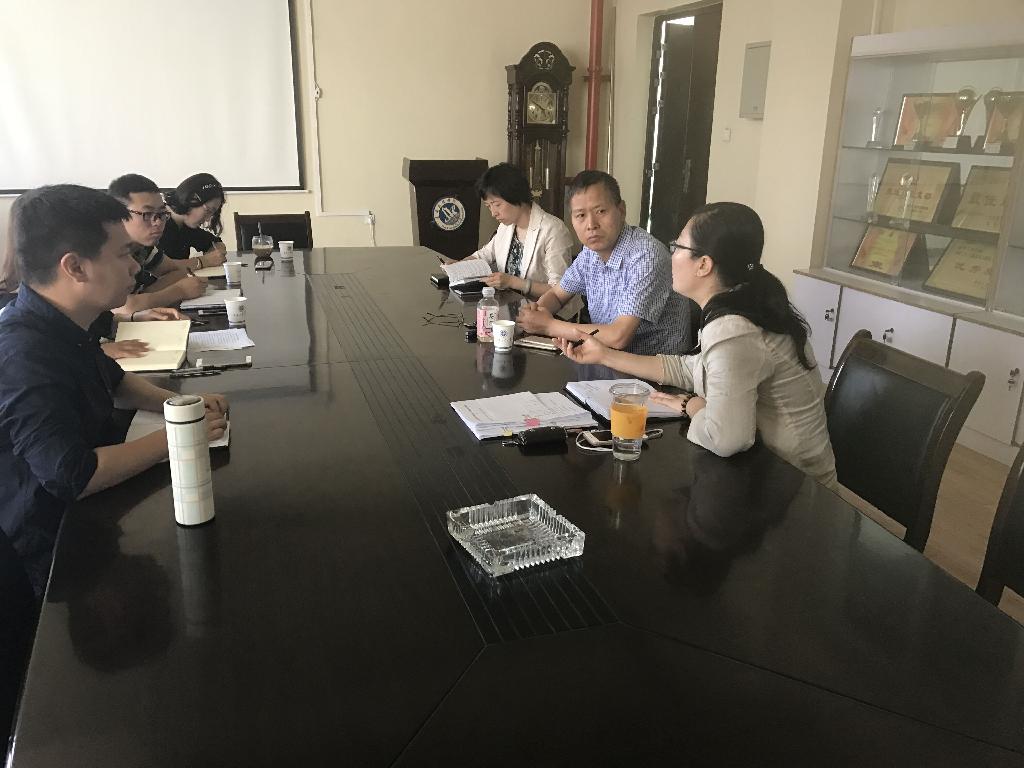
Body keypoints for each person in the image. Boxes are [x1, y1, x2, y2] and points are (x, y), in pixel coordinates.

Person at [0, 184, 228, 596]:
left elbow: (115, 380)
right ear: (75, 267)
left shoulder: (65, 320)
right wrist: (180, 434)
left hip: (94, 508)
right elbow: (74, 475)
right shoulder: (23, 354)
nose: (135, 269)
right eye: (123, 254)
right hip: (55, 550)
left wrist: (179, 404)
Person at [558, 202, 837, 489]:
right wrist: (604, 355)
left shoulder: (734, 329)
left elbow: (725, 438)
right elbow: (690, 367)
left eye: (678, 247)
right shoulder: (738, 302)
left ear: (704, 264)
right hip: (763, 474)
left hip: (795, 490)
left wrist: (690, 405)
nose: (671, 255)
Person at [517, 170, 698, 355]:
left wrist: (548, 326)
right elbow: (557, 295)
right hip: (606, 359)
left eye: (601, 211)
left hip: (652, 367)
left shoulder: (646, 255)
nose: (591, 225)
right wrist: (537, 311)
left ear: (621, 210)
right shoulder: (590, 252)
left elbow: (619, 336)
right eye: (580, 215)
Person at [465, 163, 580, 315]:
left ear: (515, 195)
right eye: (488, 206)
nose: (493, 213)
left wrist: (512, 282)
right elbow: (484, 255)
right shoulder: (506, 226)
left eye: (497, 205)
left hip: (549, 314)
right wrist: (457, 266)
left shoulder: (553, 230)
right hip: (512, 308)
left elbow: (560, 290)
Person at [159, 172, 228, 269]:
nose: (208, 219)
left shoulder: (186, 225)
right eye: (208, 211)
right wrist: (204, 261)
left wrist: (217, 252)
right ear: (192, 200)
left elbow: (215, 242)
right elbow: (159, 267)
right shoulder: (157, 223)